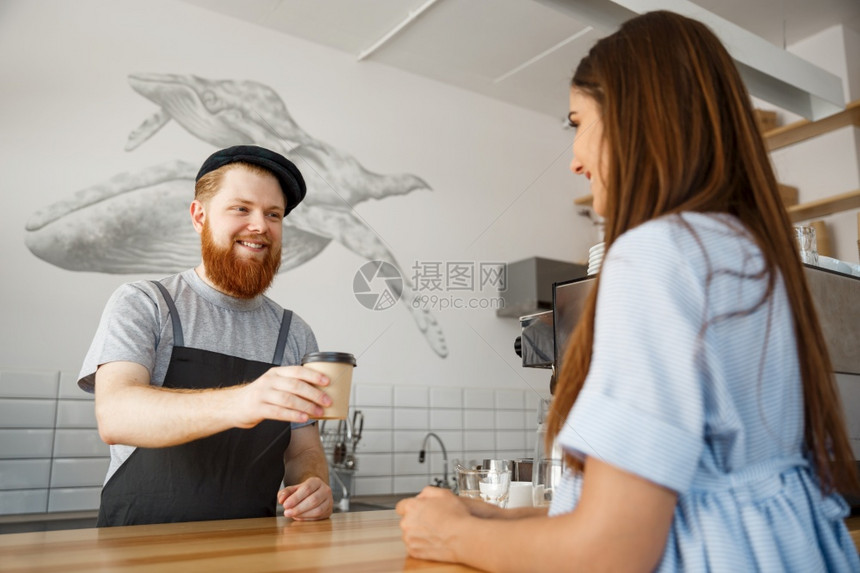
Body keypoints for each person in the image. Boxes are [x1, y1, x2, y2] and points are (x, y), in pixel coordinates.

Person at [397, 11, 860, 572]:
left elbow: (611, 551)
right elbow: (689, 505)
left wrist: (450, 538)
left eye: (578, 123)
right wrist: (493, 519)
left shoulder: (656, 255)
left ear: (635, 119)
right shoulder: (753, 256)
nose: (574, 160)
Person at [78, 145, 335, 526]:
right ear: (200, 216)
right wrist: (242, 402)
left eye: (273, 214)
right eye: (241, 208)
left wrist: (313, 483)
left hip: (254, 551)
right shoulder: (146, 303)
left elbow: (303, 448)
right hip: (136, 548)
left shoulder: (294, 333)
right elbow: (116, 416)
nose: (260, 226)